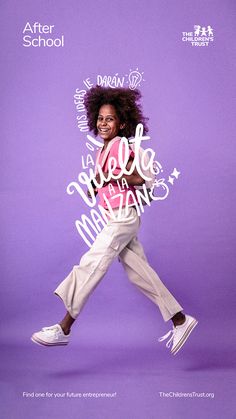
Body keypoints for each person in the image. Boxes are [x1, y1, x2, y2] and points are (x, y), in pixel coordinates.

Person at [31, 86, 198, 355]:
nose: (103, 123)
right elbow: (107, 176)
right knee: (139, 274)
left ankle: (64, 328)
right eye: (100, 118)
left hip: (122, 217)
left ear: (121, 123)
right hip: (116, 216)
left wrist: (113, 178)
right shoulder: (104, 150)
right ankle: (180, 320)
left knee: (93, 261)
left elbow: (140, 178)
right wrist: (96, 185)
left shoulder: (120, 145)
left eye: (109, 119)